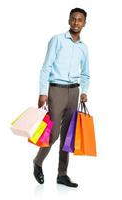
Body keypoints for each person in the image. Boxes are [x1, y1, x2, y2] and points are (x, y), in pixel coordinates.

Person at [33, 7, 90, 188]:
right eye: (73, 19)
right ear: (69, 21)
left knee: (68, 136)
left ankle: (62, 174)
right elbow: (46, 67)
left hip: (74, 92)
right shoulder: (57, 40)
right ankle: (38, 162)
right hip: (56, 90)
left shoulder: (84, 48)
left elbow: (86, 74)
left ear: (84, 23)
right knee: (53, 134)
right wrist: (43, 92)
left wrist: (84, 91)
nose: (76, 23)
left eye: (80, 20)